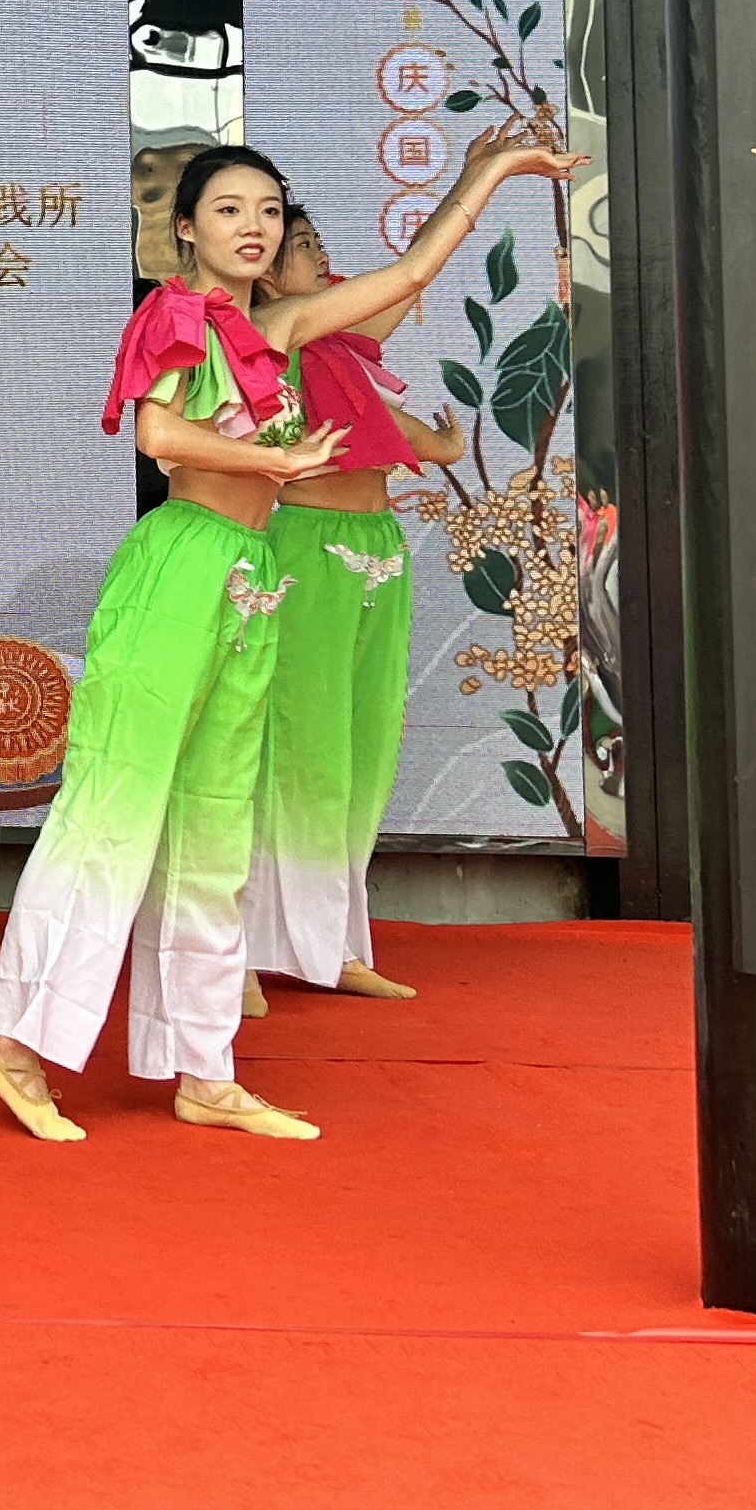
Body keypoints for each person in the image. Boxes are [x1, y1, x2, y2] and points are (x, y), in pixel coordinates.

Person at [0, 123, 570, 1147]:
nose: (255, 226)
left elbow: (409, 275)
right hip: (181, 567)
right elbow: (159, 434)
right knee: (115, 806)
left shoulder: (277, 329)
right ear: (186, 230)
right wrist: (274, 466)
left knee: (214, 819)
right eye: (230, 210)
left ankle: (205, 1070)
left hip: (249, 576)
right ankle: (13, 1041)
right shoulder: (175, 315)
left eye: (270, 211)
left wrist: (491, 172)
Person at [241, 203, 473, 1005]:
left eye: (317, 241)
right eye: (302, 246)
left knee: (361, 750)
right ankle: (236, 952)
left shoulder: (338, 348)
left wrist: (435, 445)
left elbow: (407, 290)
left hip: (378, 551)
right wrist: (475, 180)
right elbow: (408, 278)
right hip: (308, 551)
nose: (320, 255)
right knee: (296, 749)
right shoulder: (272, 334)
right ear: (268, 275)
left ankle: (333, 942)